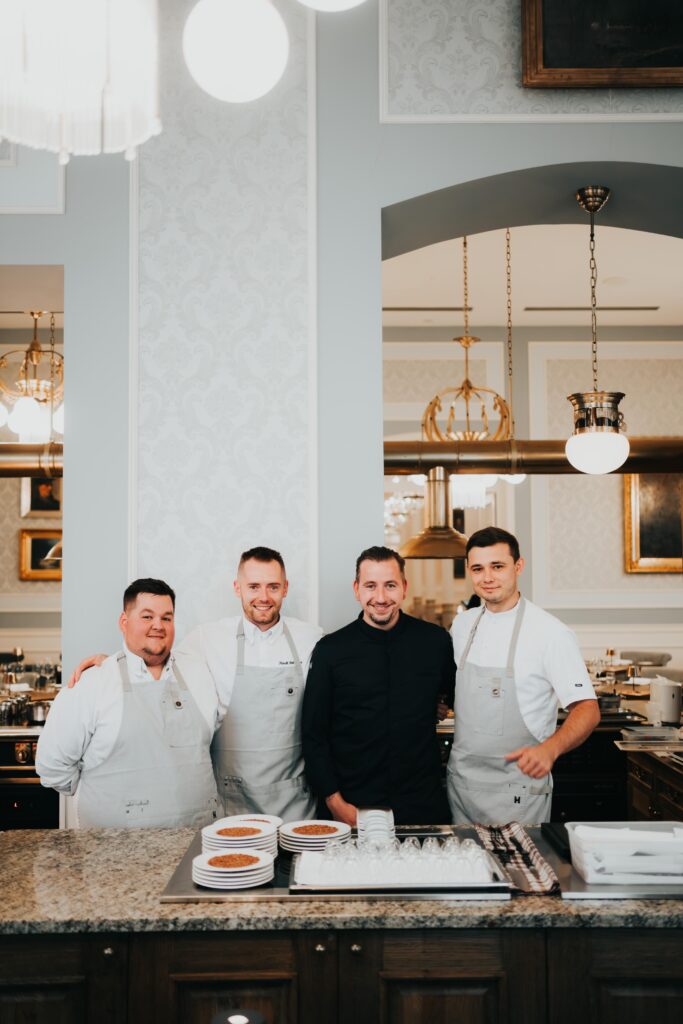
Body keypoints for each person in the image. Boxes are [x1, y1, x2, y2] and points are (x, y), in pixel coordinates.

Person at [70, 547, 322, 821]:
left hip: (294, 803)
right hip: (230, 803)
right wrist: (114, 663)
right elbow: (159, 662)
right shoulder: (207, 639)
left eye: (273, 586)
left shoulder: (312, 638)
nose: (263, 597)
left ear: (286, 588)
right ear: (237, 588)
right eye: (254, 586)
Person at [36, 578, 221, 828]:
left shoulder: (200, 675)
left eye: (167, 618)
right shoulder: (92, 684)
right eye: (147, 617)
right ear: (124, 622)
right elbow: (52, 767)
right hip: (115, 850)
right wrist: (103, 796)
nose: (158, 625)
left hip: (196, 843)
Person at [447, 527, 600, 826]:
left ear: (519, 566)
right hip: (462, 787)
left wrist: (550, 749)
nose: (487, 577)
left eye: (498, 567)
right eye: (478, 568)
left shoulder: (551, 633)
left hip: (518, 790)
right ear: (468, 570)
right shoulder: (462, 626)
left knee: (521, 872)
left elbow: (588, 710)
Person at [302, 545, 454, 826]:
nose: (381, 597)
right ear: (357, 588)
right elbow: (313, 736)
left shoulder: (435, 642)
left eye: (390, 585)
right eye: (371, 586)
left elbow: (453, 696)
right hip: (350, 807)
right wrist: (336, 804)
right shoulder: (330, 650)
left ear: (404, 587)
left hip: (422, 804)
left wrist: (437, 705)